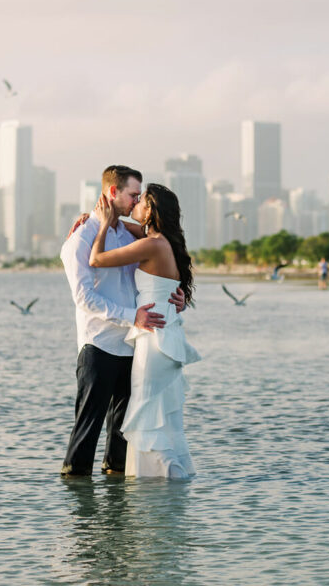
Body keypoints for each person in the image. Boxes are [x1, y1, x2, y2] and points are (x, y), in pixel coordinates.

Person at [60, 165, 186, 477]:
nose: (136, 201)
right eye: (132, 195)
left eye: (139, 196)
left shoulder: (125, 234)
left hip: (133, 349)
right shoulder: (80, 239)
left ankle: (118, 519)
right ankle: (81, 515)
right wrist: (134, 317)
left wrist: (176, 296)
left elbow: (162, 254)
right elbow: (84, 298)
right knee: (84, 438)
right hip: (100, 346)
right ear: (113, 192)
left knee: (121, 444)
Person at [89, 183, 200, 478]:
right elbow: (125, 223)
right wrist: (95, 216)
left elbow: (96, 259)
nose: (135, 204)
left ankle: (156, 481)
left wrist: (100, 229)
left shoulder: (152, 245)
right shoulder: (161, 241)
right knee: (158, 415)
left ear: (150, 210)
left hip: (154, 340)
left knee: (147, 410)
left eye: (141, 201)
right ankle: (164, 483)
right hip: (163, 336)